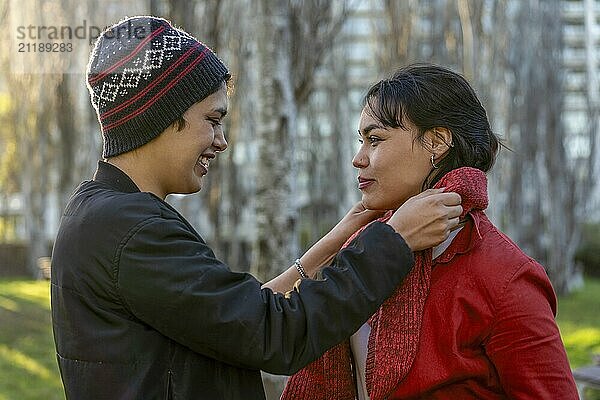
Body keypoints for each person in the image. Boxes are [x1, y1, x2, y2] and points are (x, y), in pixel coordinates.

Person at [50, 18, 463, 400]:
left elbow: (234, 321)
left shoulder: (101, 214)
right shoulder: (132, 231)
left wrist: (338, 239)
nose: (220, 141)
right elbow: (273, 334)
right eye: (212, 119)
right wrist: (393, 241)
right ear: (162, 114)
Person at [282, 64, 579, 400]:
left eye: (375, 140)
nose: (358, 159)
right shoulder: (363, 250)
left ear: (437, 142)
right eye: (361, 141)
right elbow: (266, 321)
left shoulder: (505, 278)